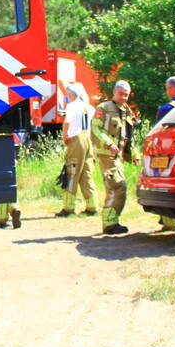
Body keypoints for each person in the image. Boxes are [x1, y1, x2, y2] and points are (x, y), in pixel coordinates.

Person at [91, 80, 136, 235]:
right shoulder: (103, 108)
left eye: (126, 95)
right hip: (106, 154)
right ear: (114, 93)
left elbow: (129, 135)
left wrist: (134, 154)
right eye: (121, 94)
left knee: (118, 187)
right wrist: (108, 143)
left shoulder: (127, 111)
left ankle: (112, 222)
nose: (124, 98)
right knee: (116, 186)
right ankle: (109, 224)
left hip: (119, 156)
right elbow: (95, 129)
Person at [54, 82, 97, 217]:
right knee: (87, 173)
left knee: (72, 172)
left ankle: (68, 208)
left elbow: (67, 122)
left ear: (70, 95)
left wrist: (65, 136)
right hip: (88, 140)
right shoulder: (89, 107)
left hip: (76, 140)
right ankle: (92, 206)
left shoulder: (72, 106)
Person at [153, 75, 175, 231]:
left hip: (168, 151)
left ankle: (169, 222)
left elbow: (157, 132)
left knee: (166, 183)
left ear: (172, 89)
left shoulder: (166, 108)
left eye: (167, 88)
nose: (166, 91)